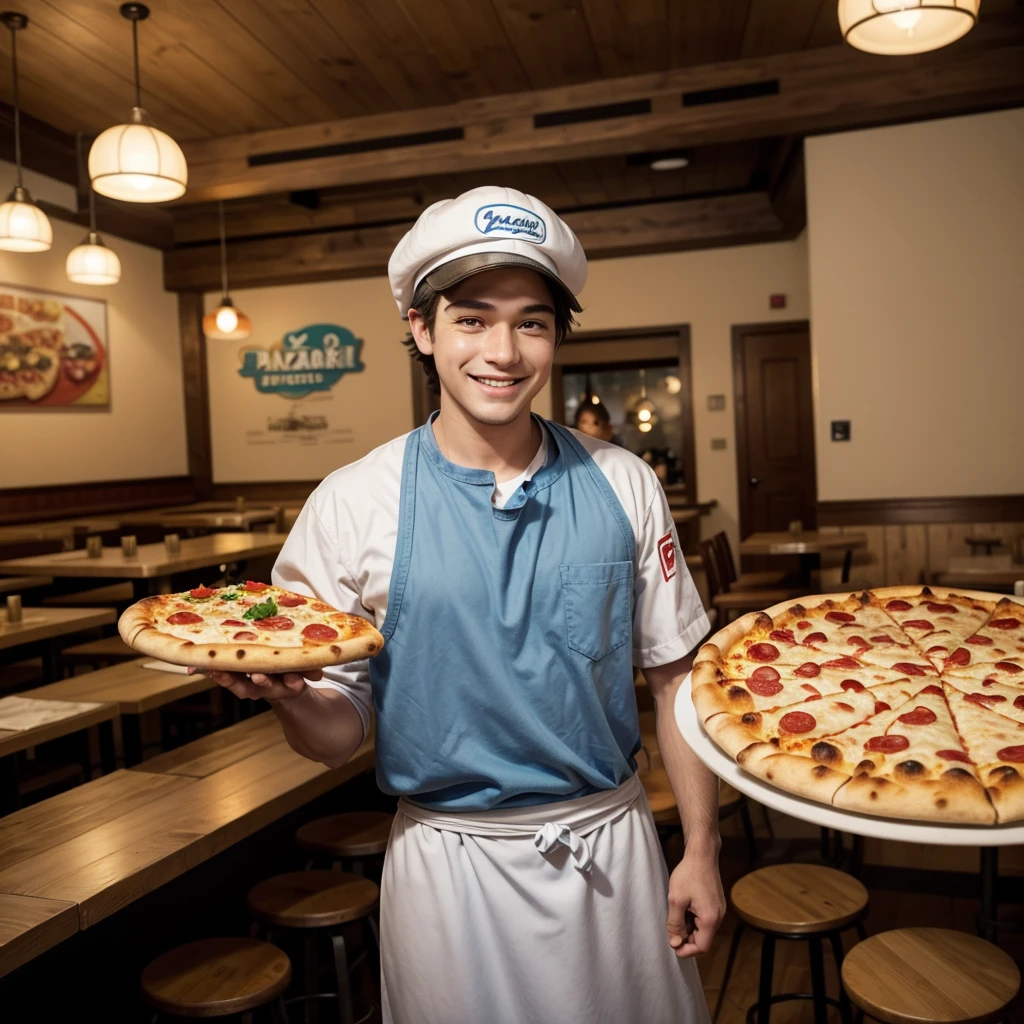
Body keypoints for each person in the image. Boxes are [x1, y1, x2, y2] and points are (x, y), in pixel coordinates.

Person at [198, 186, 724, 1024]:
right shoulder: (352, 501)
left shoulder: (624, 482)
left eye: (532, 321)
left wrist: (701, 848)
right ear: (422, 329)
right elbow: (338, 737)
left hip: (611, 850)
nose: (504, 352)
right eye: (472, 319)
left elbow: (677, 683)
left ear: (556, 336)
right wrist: (291, 699)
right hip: (449, 865)